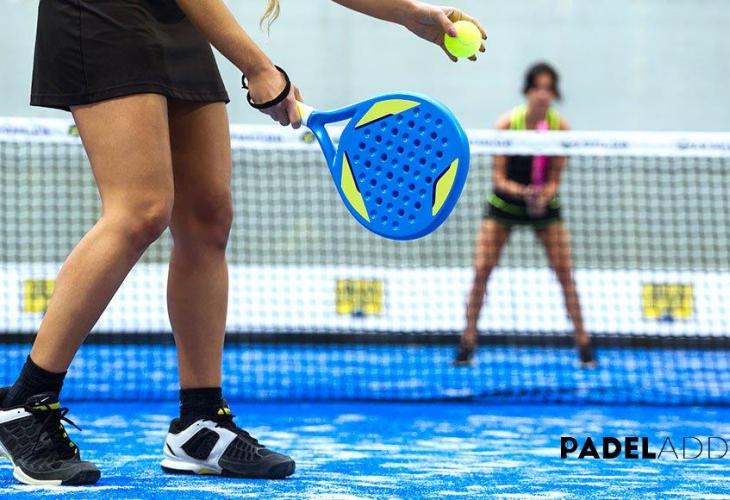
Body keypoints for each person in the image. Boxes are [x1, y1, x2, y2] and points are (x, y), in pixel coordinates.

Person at [0, 0, 486, 486]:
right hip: (105, 11)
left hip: (175, 21)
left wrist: (410, 14)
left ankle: (200, 423)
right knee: (141, 209)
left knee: (208, 218)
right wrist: (258, 67)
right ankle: (26, 403)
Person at [454, 62, 596, 369]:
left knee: (565, 274)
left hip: (545, 207)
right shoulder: (507, 125)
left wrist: (544, 195)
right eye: (537, 88)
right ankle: (466, 343)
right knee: (481, 271)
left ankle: (584, 346)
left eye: (548, 89)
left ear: (554, 93)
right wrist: (524, 193)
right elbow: (499, 179)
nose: (542, 95)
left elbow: (555, 178)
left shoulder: (560, 129)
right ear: (527, 91)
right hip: (505, 204)